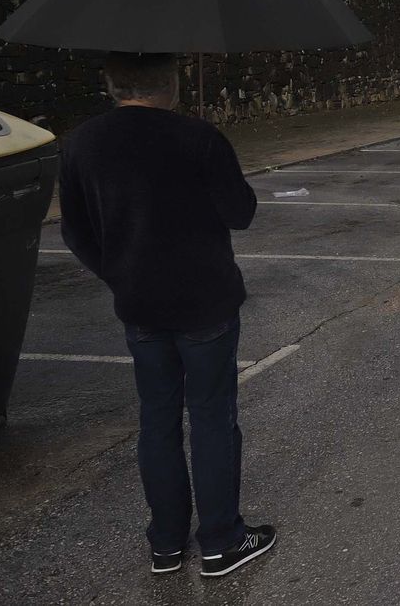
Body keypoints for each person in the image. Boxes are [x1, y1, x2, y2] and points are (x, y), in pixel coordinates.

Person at [58, 52, 276, 578]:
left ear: (111, 84)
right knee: (212, 418)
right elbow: (240, 213)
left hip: (140, 305)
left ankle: (166, 543)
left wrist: (118, 274)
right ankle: (222, 541)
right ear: (172, 84)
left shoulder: (82, 143)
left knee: (156, 421)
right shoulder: (199, 138)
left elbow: (75, 230)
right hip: (206, 303)